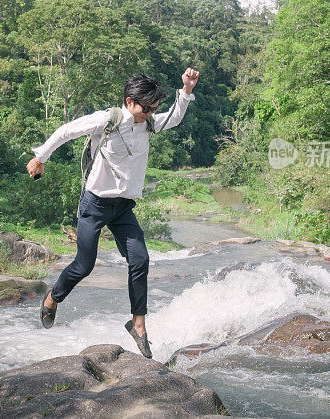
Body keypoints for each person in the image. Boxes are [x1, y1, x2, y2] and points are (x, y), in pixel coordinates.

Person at [26, 68, 200, 358]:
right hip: (95, 205)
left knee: (140, 259)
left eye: (154, 107)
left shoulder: (148, 124)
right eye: (147, 107)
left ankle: (138, 325)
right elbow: (65, 131)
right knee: (84, 265)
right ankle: (53, 297)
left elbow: (174, 117)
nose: (151, 112)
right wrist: (40, 158)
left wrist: (187, 90)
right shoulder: (107, 120)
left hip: (122, 208)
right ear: (130, 102)